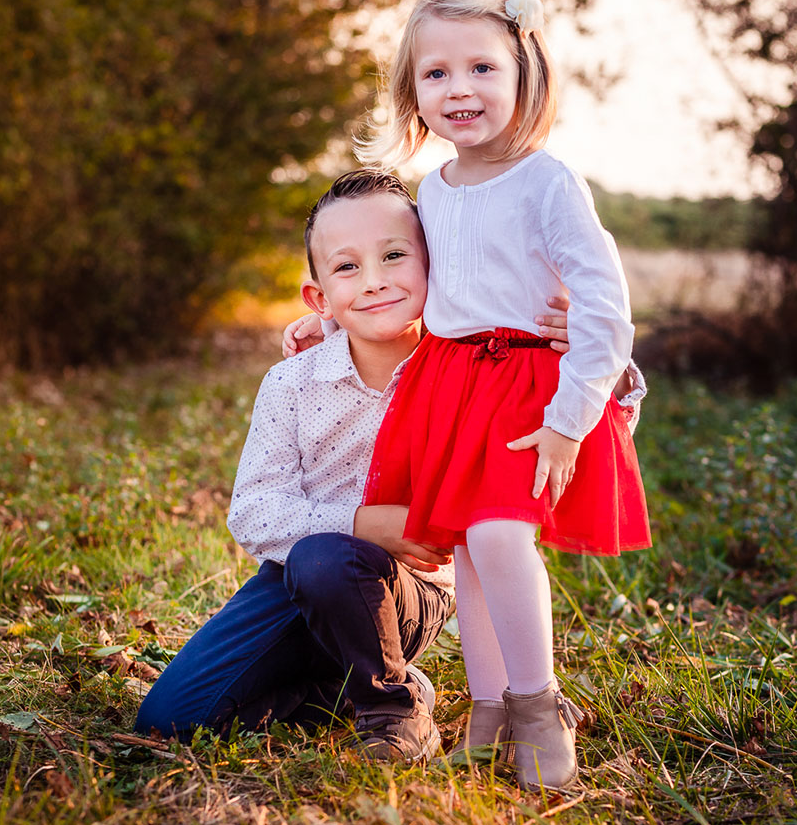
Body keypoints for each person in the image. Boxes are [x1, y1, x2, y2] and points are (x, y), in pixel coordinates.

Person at [134, 169, 583, 763]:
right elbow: (253, 512)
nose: (373, 282)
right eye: (346, 267)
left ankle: (394, 711)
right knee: (170, 719)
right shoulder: (293, 382)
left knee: (326, 555)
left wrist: (586, 355)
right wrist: (369, 523)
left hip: (408, 591)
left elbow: (584, 426)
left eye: (395, 255)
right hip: (302, 579)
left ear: (438, 266)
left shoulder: (474, 372)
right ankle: (349, 689)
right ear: (319, 296)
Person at [353, 0, 652, 791]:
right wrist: (331, 323)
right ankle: (488, 711)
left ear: (526, 75)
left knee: (497, 538)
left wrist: (571, 417)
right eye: (435, 74)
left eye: (481, 67)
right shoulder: (437, 189)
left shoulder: (548, 181)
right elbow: (421, 292)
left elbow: (603, 303)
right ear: (412, 92)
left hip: (530, 388)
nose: (459, 90)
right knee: (471, 554)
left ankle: (540, 706)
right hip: (453, 387)